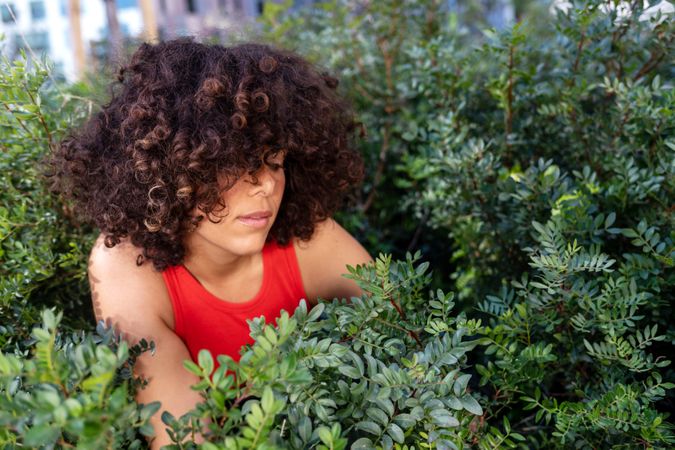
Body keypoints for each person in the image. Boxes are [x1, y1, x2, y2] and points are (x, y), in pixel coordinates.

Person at [51, 37, 372, 448]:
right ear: (173, 171)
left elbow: (408, 338)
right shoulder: (126, 265)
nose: (267, 184)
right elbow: (184, 437)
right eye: (235, 165)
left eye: (275, 161)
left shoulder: (308, 237)